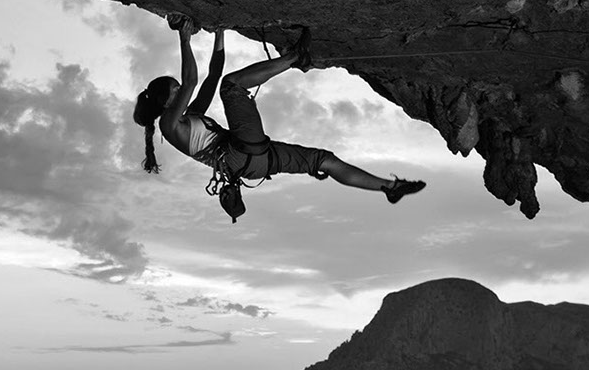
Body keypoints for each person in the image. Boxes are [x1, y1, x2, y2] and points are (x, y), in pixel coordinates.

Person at [132, 19, 425, 220]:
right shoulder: (169, 127)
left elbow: (213, 74)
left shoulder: (190, 116)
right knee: (232, 87)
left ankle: (389, 188)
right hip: (239, 154)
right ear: (165, 103)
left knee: (324, 160)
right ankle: (296, 56)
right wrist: (183, 37)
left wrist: (220, 32)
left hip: (252, 162)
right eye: (175, 89)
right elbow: (192, 81)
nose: (180, 90)